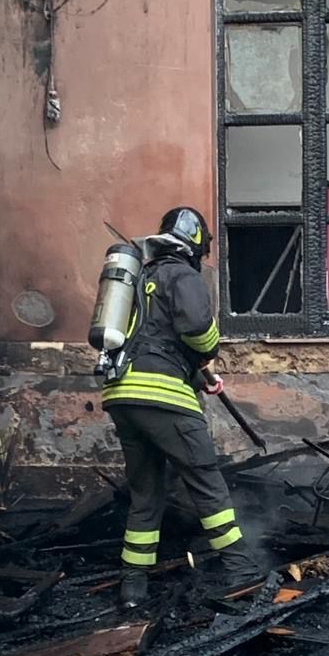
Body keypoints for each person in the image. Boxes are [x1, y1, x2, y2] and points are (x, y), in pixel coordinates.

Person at [101, 207, 261, 607]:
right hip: (164, 398)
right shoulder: (183, 275)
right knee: (206, 480)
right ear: (194, 246)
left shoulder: (141, 278)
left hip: (123, 395)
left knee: (146, 492)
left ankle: (133, 586)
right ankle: (241, 569)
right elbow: (196, 330)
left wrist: (203, 375)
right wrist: (210, 350)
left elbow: (153, 338)